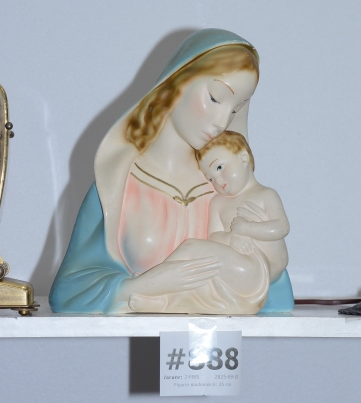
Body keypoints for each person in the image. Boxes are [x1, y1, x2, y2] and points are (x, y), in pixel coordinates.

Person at [49, 29, 293, 314]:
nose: (222, 121)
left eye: (236, 109)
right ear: (178, 82)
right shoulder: (119, 185)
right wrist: (141, 286)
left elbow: (273, 291)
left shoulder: (225, 187)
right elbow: (69, 292)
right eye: (215, 98)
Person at [128, 131, 290, 314]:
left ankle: (147, 286)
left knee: (190, 248)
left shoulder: (265, 195)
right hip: (233, 266)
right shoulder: (218, 202)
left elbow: (281, 227)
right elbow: (214, 236)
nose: (218, 181)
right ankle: (163, 301)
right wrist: (230, 239)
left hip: (256, 272)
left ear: (243, 158)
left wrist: (247, 228)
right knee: (197, 273)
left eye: (219, 167)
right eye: (210, 178)